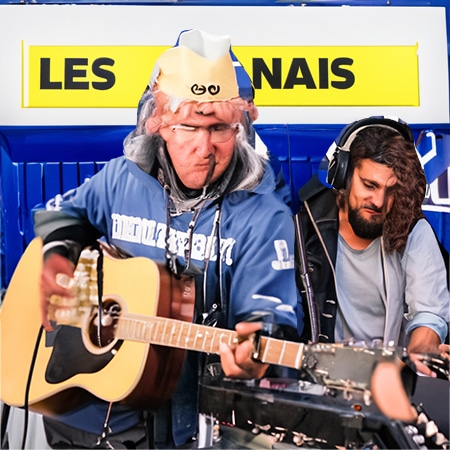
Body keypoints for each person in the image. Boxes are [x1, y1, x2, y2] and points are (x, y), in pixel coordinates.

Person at [33, 29, 302, 449]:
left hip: (196, 422)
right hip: (93, 413)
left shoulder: (264, 213)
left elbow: (269, 313)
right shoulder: (122, 178)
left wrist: (257, 344)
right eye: (188, 127)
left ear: (241, 129)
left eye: (219, 128)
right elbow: (63, 213)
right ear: (158, 125)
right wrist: (57, 255)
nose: (204, 147)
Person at [296, 116, 449, 377]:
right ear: (343, 175)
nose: (379, 201)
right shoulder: (305, 231)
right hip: (322, 383)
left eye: (391, 190)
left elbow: (429, 312)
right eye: (369, 185)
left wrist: (421, 352)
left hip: (389, 381)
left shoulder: (413, 229)